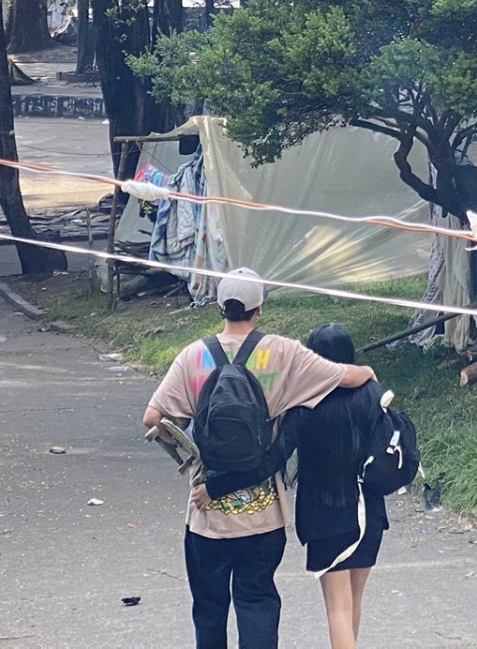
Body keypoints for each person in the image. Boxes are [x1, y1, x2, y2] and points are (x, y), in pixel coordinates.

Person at [143, 268, 376, 649]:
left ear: (220, 307)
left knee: (209, 607)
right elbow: (343, 377)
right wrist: (367, 371)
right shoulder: (282, 352)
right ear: (259, 309)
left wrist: (191, 455)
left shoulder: (193, 357)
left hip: (206, 515)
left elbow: (153, 419)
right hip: (264, 517)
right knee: (257, 601)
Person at [267, 324, 388, 649]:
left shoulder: (306, 401)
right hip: (369, 510)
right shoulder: (374, 394)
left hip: (324, 513)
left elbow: (278, 454)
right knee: (353, 602)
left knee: (338, 608)